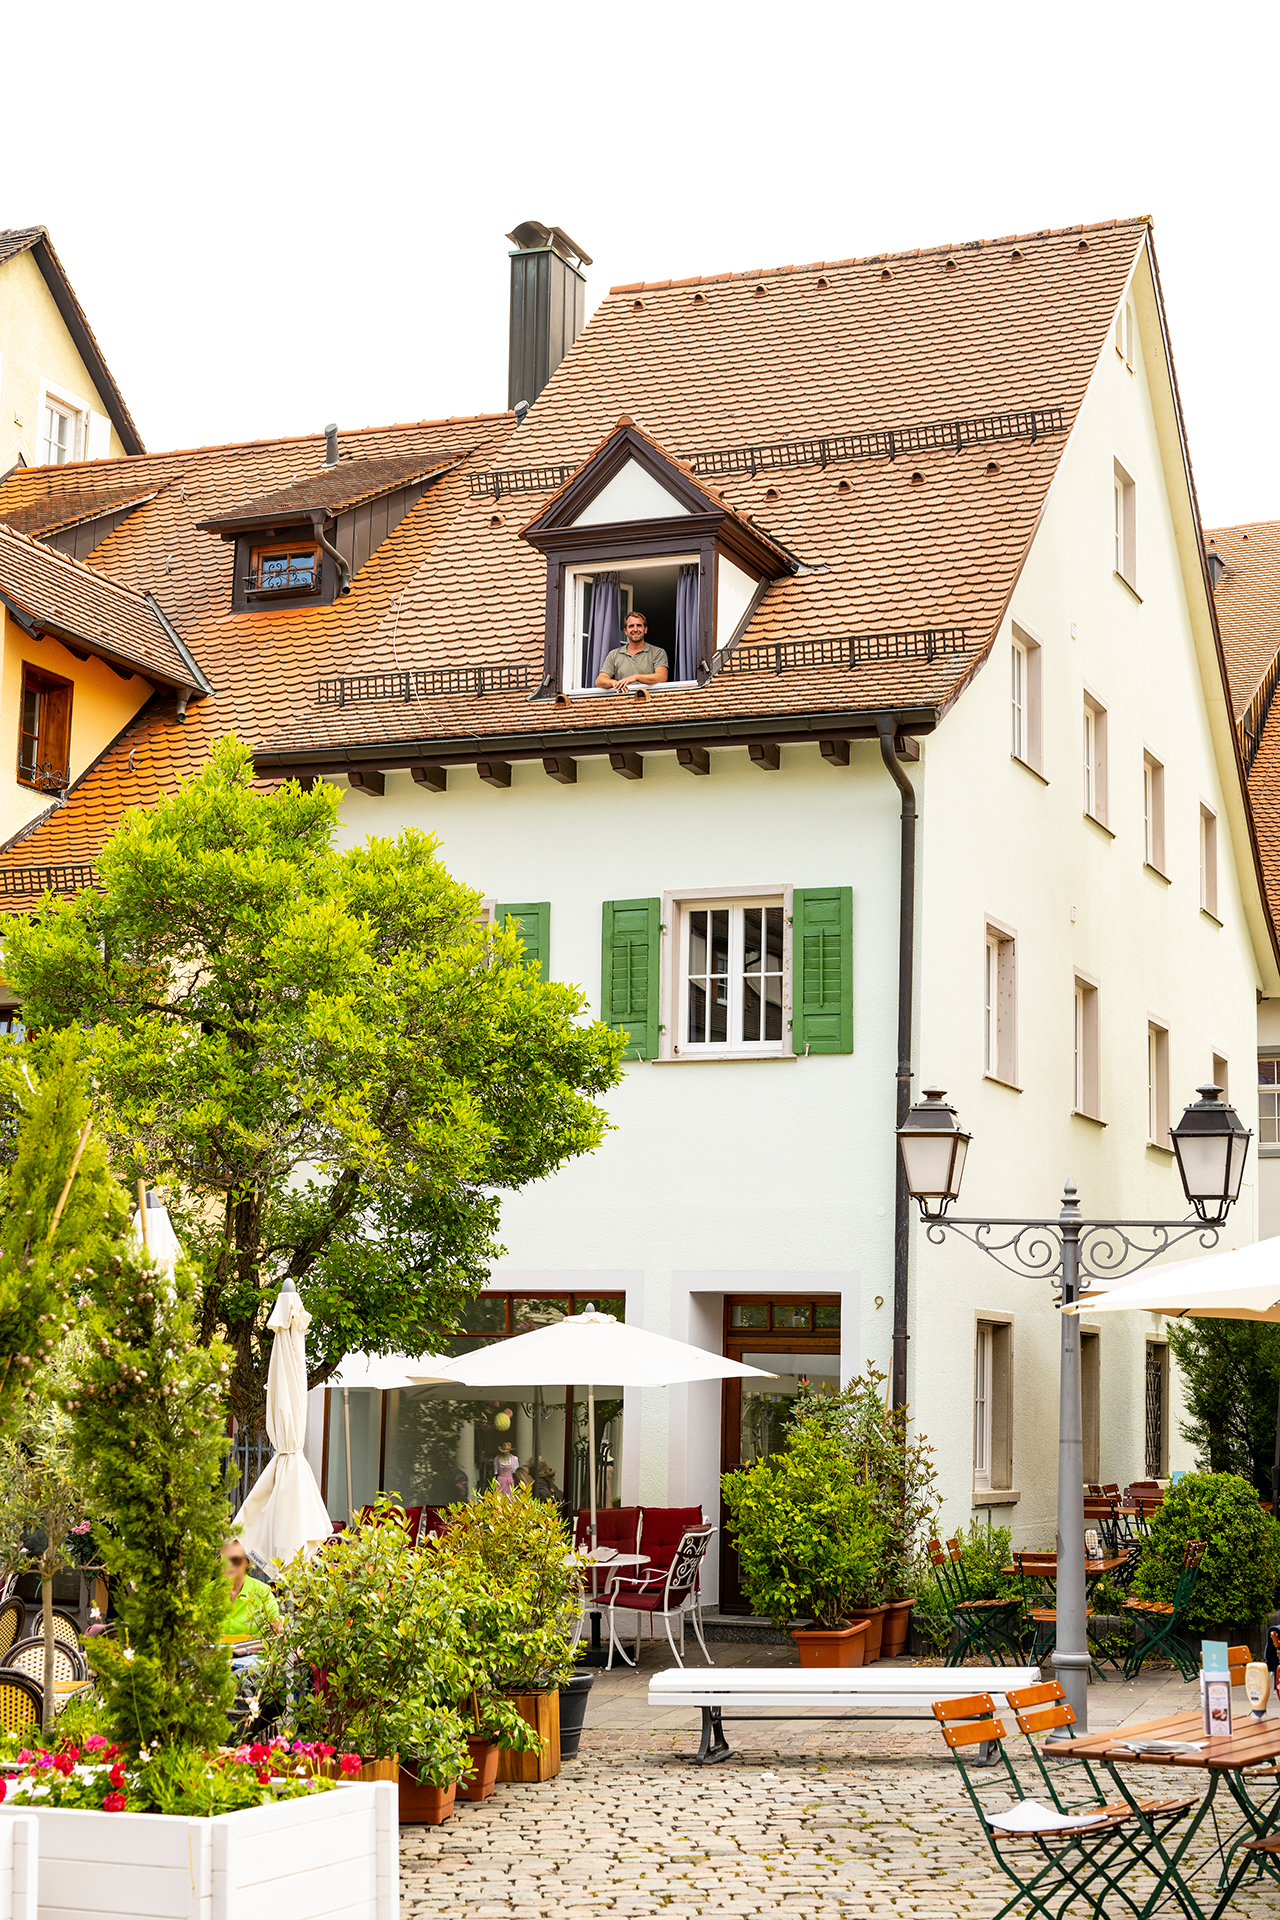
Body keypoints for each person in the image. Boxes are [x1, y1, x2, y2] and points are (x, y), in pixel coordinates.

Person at [221, 1539, 281, 1666]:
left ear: (247, 1563)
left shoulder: (262, 1592)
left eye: (236, 1561)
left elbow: (278, 1635)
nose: (229, 1565)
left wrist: (246, 1649)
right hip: (215, 1659)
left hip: (251, 1660)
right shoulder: (208, 1592)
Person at [596, 612, 669, 691]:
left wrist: (636, 677)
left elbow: (662, 677)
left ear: (645, 629)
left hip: (649, 701)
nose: (635, 629)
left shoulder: (657, 652)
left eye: (639, 625)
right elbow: (599, 681)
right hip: (623, 701)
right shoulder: (614, 654)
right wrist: (614, 683)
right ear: (625, 631)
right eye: (631, 626)